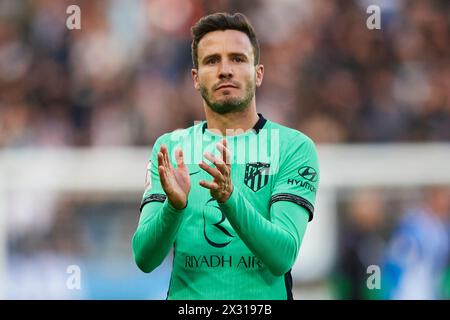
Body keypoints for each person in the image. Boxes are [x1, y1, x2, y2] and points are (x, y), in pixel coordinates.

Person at [132, 12, 320, 300]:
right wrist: (173, 207)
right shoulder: (172, 148)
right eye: (211, 61)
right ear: (196, 78)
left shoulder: (292, 147)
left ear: (258, 73)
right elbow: (144, 259)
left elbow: (282, 257)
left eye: (237, 58)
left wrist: (230, 198)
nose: (224, 70)